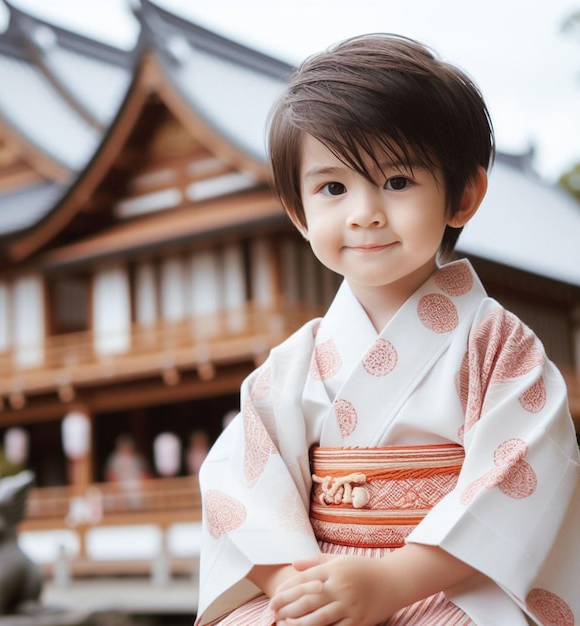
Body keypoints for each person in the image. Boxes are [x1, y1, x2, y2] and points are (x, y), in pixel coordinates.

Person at [196, 34, 580, 626]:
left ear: (463, 195)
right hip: (314, 575)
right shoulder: (293, 362)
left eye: (397, 182)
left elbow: (524, 473)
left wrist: (393, 580)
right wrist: (297, 587)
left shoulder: (499, 347)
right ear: (299, 213)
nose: (364, 211)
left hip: (448, 579)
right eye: (332, 188)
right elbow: (240, 486)